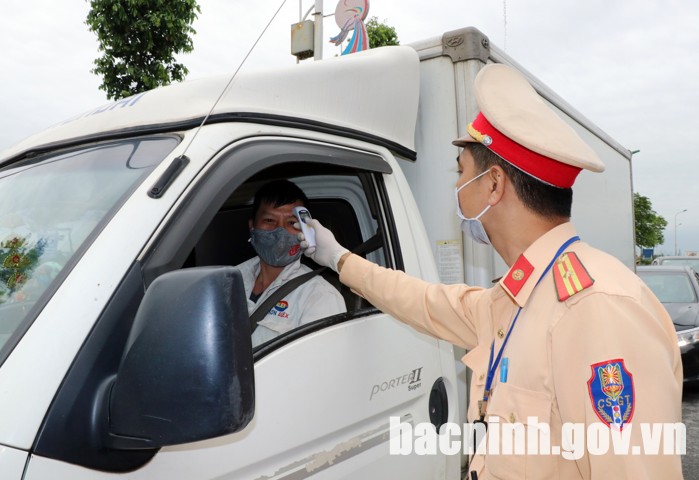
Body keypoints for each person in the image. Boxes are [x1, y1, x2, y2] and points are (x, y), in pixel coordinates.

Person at [300, 64, 683, 478]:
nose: (457, 187)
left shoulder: (596, 308)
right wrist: (337, 257)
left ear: (494, 185)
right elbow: (424, 301)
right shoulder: (518, 298)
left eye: (461, 172)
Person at [236, 179, 346, 347]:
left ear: (305, 230)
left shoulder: (319, 296)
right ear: (252, 226)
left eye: (291, 223)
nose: (280, 230)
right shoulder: (227, 281)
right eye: (269, 220)